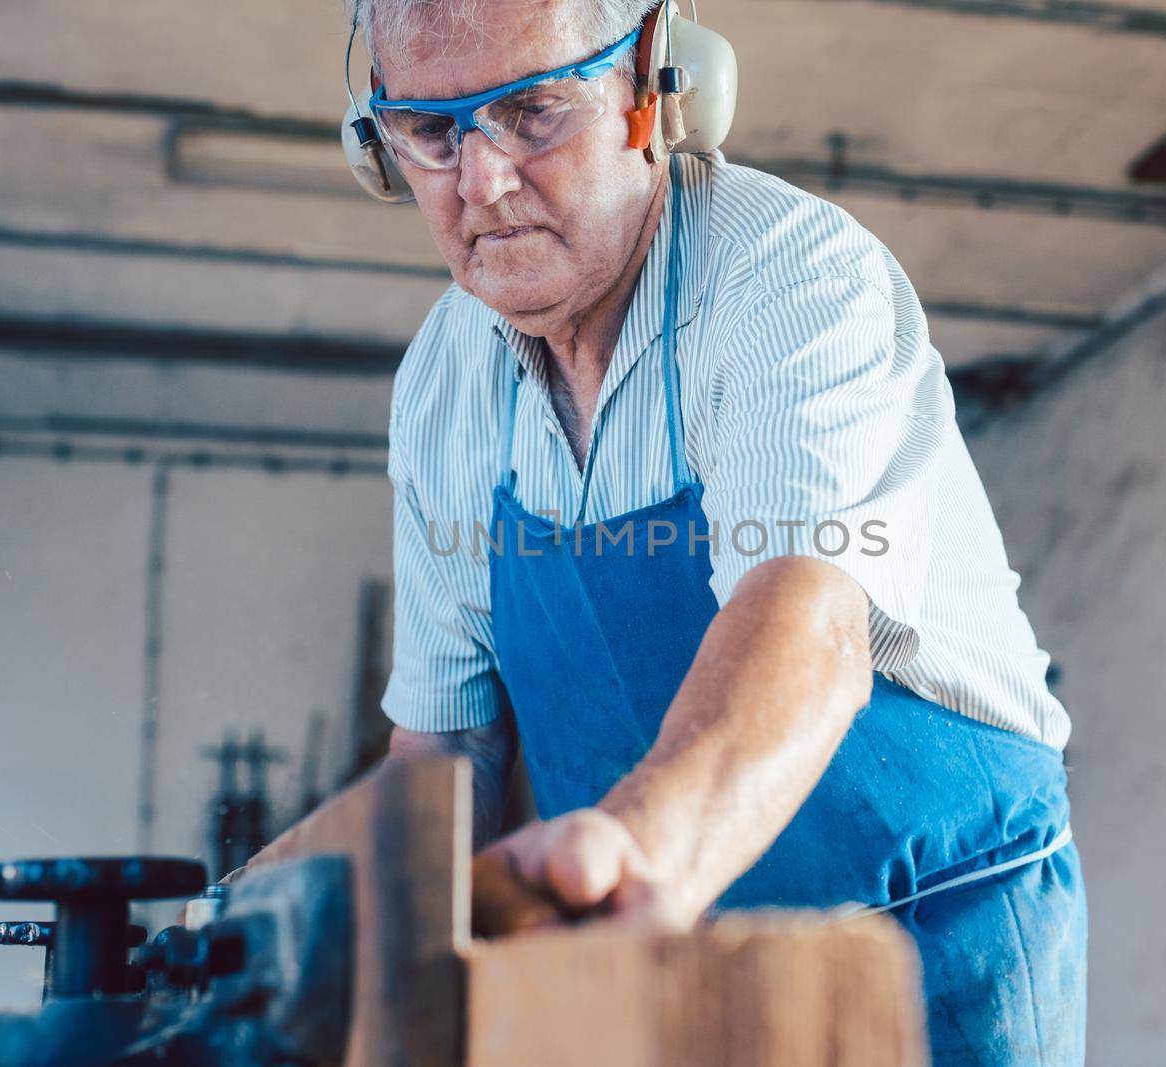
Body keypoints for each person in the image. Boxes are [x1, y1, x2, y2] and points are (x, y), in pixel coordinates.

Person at [345, 0, 1086, 1060]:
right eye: (429, 131)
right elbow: (445, 738)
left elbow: (807, 614)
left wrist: (640, 855)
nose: (482, 182)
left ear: (654, 81)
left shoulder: (787, 275)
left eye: (534, 111)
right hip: (650, 934)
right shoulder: (440, 383)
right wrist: (365, 934)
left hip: (936, 927)